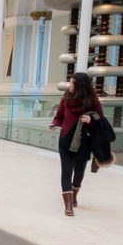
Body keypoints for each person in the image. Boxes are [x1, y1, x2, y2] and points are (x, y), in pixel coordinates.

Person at [50, 71, 103, 217]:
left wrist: (91, 121)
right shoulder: (66, 99)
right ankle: (68, 205)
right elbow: (59, 116)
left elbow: (101, 121)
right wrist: (54, 124)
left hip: (84, 142)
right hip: (65, 139)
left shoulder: (92, 102)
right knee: (66, 171)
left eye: (73, 83)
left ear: (80, 86)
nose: (70, 85)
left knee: (79, 172)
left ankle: (74, 197)